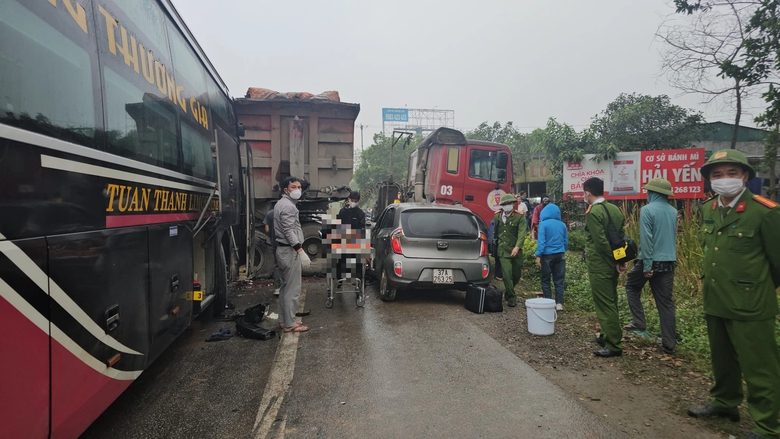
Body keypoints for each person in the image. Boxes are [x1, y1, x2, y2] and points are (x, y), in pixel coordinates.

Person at [687, 149, 780, 439]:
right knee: (722, 359)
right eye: (717, 175)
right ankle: (725, 403)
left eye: (731, 173)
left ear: (745, 176)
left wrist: (755, 287)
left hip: (751, 304)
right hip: (716, 299)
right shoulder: (709, 209)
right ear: (709, 181)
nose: (724, 180)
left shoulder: (765, 212)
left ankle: (767, 427)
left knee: (760, 368)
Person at [623, 178, 678, 354]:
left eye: (648, 191)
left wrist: (648, 266)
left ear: (653, 193)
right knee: (665, 302)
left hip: (651, 259)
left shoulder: (647, 210)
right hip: (669, 261)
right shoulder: (673, 211)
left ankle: (638, 321)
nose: (647, 194)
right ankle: (669, 344)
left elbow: (647, 240)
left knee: (631, 285)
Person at [582, 177, 626, 358]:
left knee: (604, 304)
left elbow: (600, 243)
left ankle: (614, 344)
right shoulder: (615, 209)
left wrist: (611, 259)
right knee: (611, 300)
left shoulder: (594, 212)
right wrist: (619, 260)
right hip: (613, 263)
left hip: (600, 265)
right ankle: (607, 335)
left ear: (587, 193)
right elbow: (621, 238)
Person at [274, 176, 311, 333]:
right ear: (285, 190)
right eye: (293, 187)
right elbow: (289, 231)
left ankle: (284, 320)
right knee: (293, 289)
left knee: (284, 288)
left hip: (282, 250)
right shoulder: (288, 207)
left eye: (299, 187)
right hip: (289, 251)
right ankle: (290, 324)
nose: (298, 190)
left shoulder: (281, 204)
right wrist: (300, 250)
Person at [493, 193, 527, 307]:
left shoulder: (519, 216)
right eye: (505, 204)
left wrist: (517, 246)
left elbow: (522, 233)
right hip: (503, 250)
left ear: (513, 203)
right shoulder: (497, 216)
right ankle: (512, 297)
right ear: (502, 205)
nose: (508, 205)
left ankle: (508, 292)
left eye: (509, 203)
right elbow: (495, 233)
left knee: (516, 275)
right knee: (507, 275)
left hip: (516, 250)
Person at [534, 203, 568, 311]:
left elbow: (542, 242)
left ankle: (548, 302)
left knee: (545, 279)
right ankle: (559, 303)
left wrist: (538, 255)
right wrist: (562, 250)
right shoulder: (562, 225)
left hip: (547, 255)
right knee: (559, 280)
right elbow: (565, 241)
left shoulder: (543, 225)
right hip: (560, 255)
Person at [336, 191, 366, 284]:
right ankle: (339, 280)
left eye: (355, 201)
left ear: (358, 201)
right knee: (341, 261)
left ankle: (357, 282)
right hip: (342, 241)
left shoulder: (360, 214)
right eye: (352, 200)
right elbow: (338, 225)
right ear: (349, 199)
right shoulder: (342, 212)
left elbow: (361, 228)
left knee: (356, 263)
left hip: (355, 242)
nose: (353, 202)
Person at [263, 208, 282, 296]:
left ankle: (277, 288)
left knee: (277, 265)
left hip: (274, 242)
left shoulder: (270, 213)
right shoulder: (286, 212)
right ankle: (286, 287)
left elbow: (266, 229)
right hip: (285, 243)